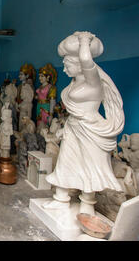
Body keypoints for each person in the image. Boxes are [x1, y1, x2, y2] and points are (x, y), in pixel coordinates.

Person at [43, 31, 124, 215]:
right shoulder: (74, 83)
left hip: (91, 129)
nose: (63, 69)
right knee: (66, 163)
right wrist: (65, 128)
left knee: (90, 167)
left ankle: (87, 205)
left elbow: (88, 62)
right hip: (74, 127)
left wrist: (85, 40)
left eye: (67, 65)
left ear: (80, 65)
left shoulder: (93, 83)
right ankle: (61, 199)